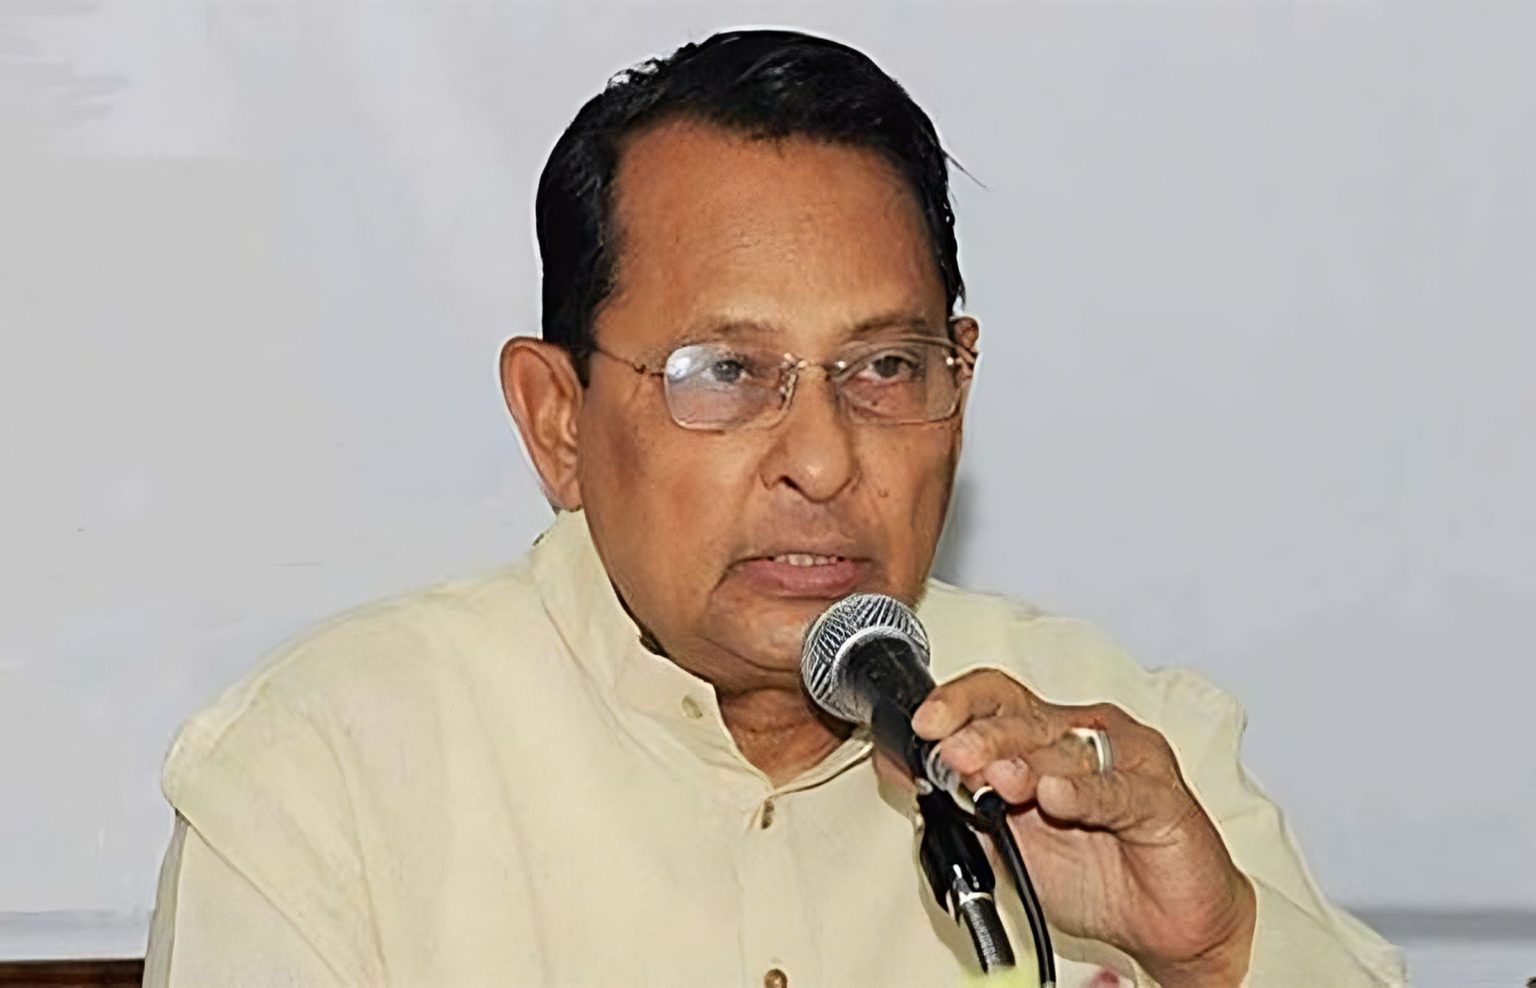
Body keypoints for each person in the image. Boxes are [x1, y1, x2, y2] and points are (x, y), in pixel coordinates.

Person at [144, 29, 1403, 987]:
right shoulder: (326, 772)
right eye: (727, 373)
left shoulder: (1110, 751)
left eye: (885, 367)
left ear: (959, 384)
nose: (822, 459)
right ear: (558, 420)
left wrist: (1215, 951)